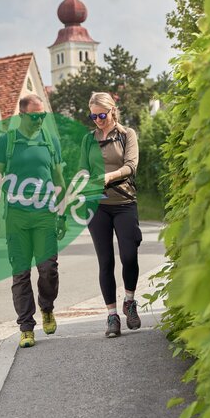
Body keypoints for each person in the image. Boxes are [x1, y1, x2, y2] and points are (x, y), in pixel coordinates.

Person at [0, 95, 67, 348]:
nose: (39, 120)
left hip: (45, 214)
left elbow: (59, 180)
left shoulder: (50, 141)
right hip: (17, 215)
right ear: (21, 115)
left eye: (43, 115)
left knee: (48, 269)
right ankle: (26, 327)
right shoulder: (7, 142)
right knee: (21, 273)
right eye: (35, 116)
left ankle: (47, 307)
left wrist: (63, 214)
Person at [80, 92, 143, 338]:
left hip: (124, 202)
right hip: (97, 205)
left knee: (129, 256)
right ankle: (112, 316)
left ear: (112, 110)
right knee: (105, 262)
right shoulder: (88, 140)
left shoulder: (127, 135)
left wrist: (109, 176)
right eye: (93, 116)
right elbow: (83, 168)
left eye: (102, 115)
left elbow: (131, 166)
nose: (98, 120)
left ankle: (129, 300)